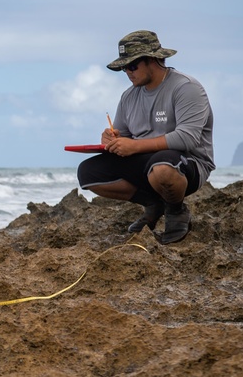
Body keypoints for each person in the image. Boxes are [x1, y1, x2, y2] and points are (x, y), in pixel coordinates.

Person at [77, 30, 214, 244]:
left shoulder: (186, 88)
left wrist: (134, 146)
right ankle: (154, 204)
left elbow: (187, 139)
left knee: (163, 168)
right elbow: (125, 137)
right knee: (88, 173)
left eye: (132, 66)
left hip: (188, 164)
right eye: (124, 68)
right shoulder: (129, 96)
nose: (128, 73)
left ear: (153, 60)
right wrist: (112, 141)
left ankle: (175, 210)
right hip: (147, 163)